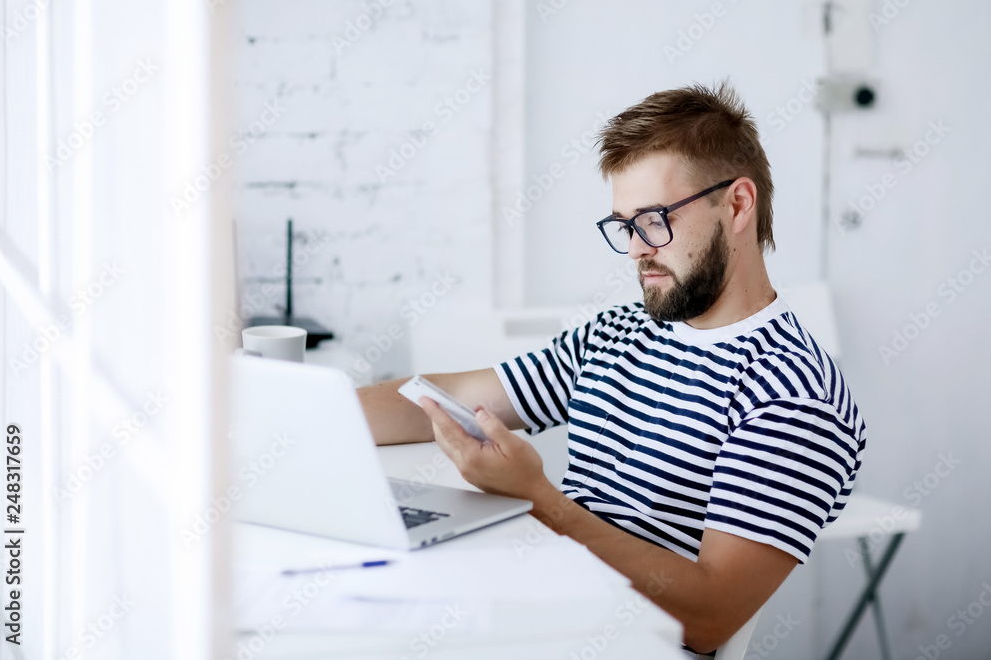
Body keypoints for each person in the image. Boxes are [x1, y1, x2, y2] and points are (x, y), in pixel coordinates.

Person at [357, 81, 866, 654]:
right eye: (625, 225)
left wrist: (538, 498)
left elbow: (710, 617)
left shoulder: (795, 395)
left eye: (654, 220)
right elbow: (443, 399)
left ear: (738, 204)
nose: (636, 250)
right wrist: (285, 417)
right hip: (546, 604)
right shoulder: (621, 331)